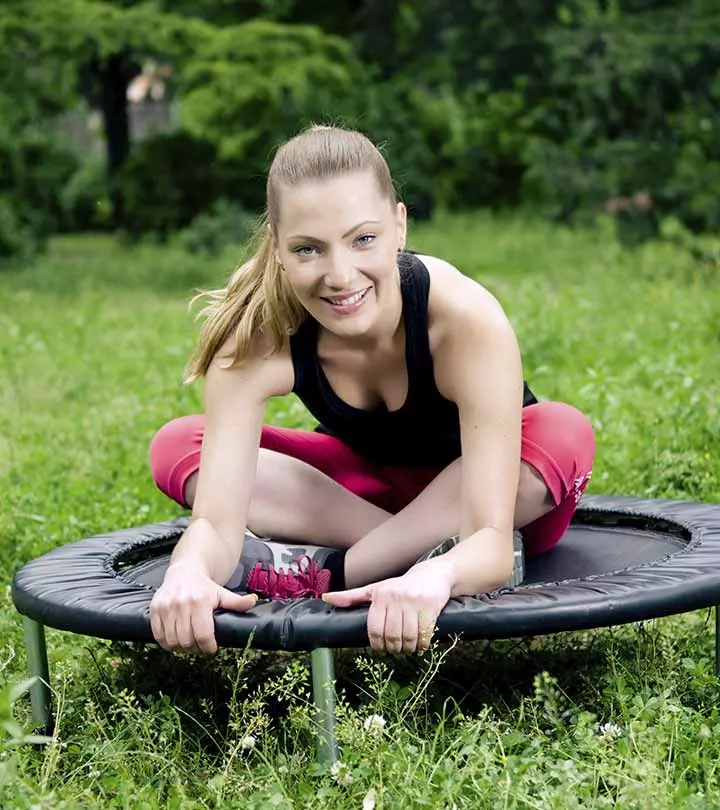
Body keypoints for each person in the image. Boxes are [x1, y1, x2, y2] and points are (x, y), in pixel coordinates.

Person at [148, 125, 595, 659]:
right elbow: (217, 526)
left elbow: (492, 544)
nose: (340, 276)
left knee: (561, 431)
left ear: (400, 226)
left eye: (364, 239)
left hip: (485, 494)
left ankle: (335, 570)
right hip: (362, 492)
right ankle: (402, 552)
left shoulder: (462, 320)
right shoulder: (257, 336)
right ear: (279, 251)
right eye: (309, 249)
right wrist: (187, 574)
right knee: (181, 444)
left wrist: (441, 574)